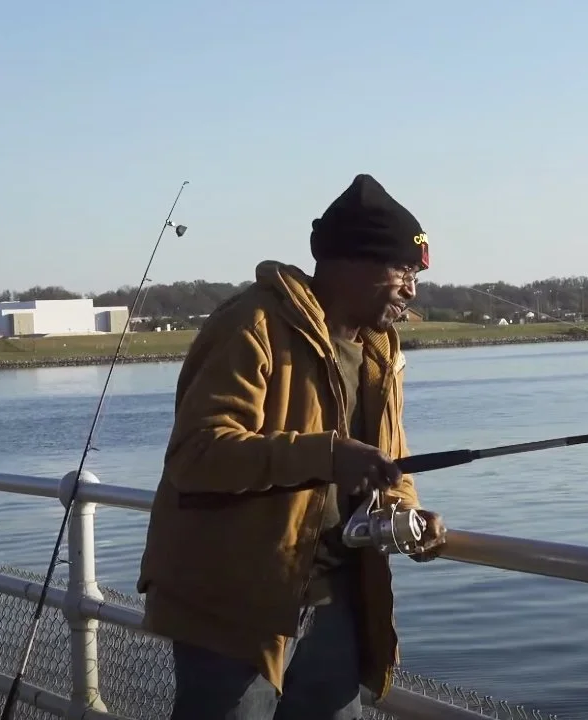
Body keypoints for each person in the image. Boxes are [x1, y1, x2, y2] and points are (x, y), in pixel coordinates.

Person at [136, 173, 447, 720]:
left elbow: (390, 464)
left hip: (335, 606)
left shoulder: (379, 352)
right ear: (349, 262)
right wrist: (324, 455)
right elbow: (198, 454)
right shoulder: (251, 325)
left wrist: (406, 515)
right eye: (402, 269)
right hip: (232, 610)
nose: (411, 289)